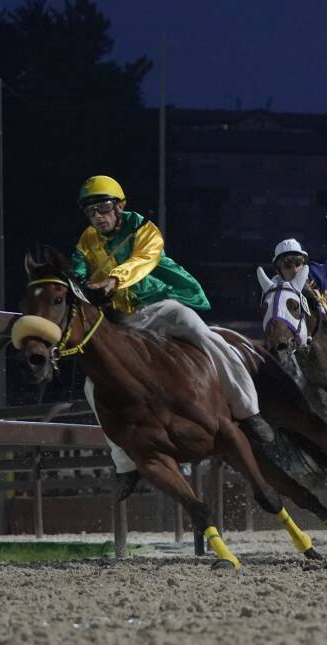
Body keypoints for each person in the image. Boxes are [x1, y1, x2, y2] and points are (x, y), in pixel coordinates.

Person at [70, 175, 277, 499]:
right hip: (124, 323)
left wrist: (113, 279)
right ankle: (124, 464)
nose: (98, 216)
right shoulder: (86, 241)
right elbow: (77, 273)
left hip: (161, 307)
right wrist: (77, 285)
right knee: (92, 385)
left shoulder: (145, 230)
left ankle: (249, 413)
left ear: (120, 206)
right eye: (91, 211)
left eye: (103, 207)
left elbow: (143, 261)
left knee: (202, 333)